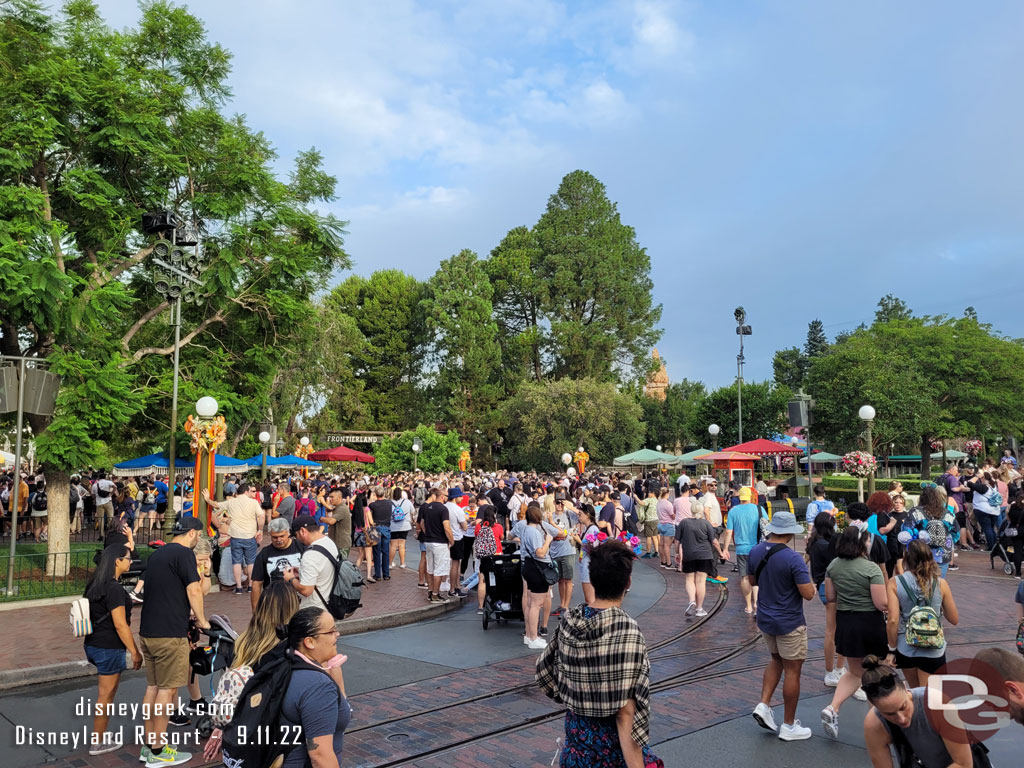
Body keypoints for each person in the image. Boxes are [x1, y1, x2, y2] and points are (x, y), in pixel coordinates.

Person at [536, 539, 662, 768]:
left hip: (575, 748)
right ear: (628, 583)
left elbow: (543, 672)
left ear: (592, 579)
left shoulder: (569, 621)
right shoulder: (626, 630)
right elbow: (626, 711)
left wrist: (572, 695)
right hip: (611, 752)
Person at [137, 517, 209, 766]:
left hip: (148, 631)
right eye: (198, 535)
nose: (199, 539)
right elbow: (194, 589)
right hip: (170, 633)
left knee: (153, 687)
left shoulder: (159, 554)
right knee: (167, 691)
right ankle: (158, 751)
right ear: (192, 533)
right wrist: (202, 621)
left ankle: (148, 746)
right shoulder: (184, 554)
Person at [203, 580, 301, 762]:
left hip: (245, 732)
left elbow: (236, 690)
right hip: (275, 738)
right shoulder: (288, 650)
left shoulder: (245, 643)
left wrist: (221, 727)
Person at [748, 511, 816, 741]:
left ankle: (764, 704)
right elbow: (808, 594)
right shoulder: (793, 558)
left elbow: (752, 581)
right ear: (788, 533)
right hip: (789, 620)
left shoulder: (755, 551)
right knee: (793, 670)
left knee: (776, 659)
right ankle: (788, 725)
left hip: (765, 618)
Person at [821, 525, 889, 740]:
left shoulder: (833, 565)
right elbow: (881, 603)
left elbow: (830, 596)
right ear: (862, 543)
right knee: (875, 671)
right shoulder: (871, 569)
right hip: (869, 622)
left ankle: (833, 707)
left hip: (846, 621)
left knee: (854, 671)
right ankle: (877, 720)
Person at [861, 655, 976, 768]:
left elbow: (963, 764)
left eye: (903, 707)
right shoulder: (874, 724)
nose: (901, 719)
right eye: (889, 714)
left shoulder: (938, 704)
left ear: (906, 688)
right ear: (874, 707)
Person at [82, 544, 143, 755]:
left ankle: (101, 733)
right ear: (117, 561)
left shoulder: (95, 584)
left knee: (106, 695)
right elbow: (120, 624)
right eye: (127, 559)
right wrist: (135, 651)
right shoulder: (114, 589)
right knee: (106, 696)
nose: (130, 562)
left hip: (92, 644)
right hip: (109, 647)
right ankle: (97, 742)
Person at [276, 607, 351, 768]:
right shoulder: (318, 686)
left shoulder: (284, 666)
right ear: (309, 642)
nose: (337, 635)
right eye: (331, 632)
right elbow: (320, 756)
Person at [886, 539, 959, 689]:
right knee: (929, 696)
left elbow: (892, 620)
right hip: (933, 649)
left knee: (914, 692)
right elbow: (954, 619)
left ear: (906, 559)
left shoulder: (895, 582)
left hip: (906, 646)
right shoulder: (940, 583)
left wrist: (891, 649)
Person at [203, 484, 264, 595]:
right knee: (251, 562)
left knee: (236, 562)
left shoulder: (231, 502)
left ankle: (239, 587)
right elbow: (261, 516)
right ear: (247, 491)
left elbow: (216, 504)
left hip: (235, 536)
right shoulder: (253, 502)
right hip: (250, 535)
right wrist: (260, 529)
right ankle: (250, 586)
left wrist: (207, 499)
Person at [806, 512, 845, 686]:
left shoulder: (814, 542)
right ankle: (833, 670)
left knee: (834, 628)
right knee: (834, 629)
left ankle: (836, 669)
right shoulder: (826, 545)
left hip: (821, 584)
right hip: (830, 586)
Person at [675, 508, 728, 617]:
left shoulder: (683, 523)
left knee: (689, 579)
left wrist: (677, 553)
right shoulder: (706, 523)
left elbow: (677, 541)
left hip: (689, 555)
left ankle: (691, 601)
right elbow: (714, 541)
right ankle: (699, 609)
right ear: (701, 511)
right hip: (705, 555)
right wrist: (720, 552)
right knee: (700, 582)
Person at [721, 487, 766, 615]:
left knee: (745, 577)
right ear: (750, 496)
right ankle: (757, 603)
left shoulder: (733, 511)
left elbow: (728, 532)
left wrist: (725, 549)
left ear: (739, 497)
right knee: (756, 577)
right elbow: (766, 526)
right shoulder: (759, 509)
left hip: (741, 549)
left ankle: (748, 606)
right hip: (757, 548)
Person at [283, 515, 340, 611]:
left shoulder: (310, 555)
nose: (297, 539)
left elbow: (306, 590)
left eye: (296, 536)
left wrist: (290, 579)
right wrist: (302, 571)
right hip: (330, 605)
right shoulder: (329, 542)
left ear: (302, 531)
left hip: (314, 610)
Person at [521, 505, 556, 649]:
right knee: (536, 604)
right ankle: (534, 637)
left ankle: (529, 635)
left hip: (528, 566)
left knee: (530, 603)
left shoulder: (525, 530)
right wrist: (548, 540)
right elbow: (540, 553)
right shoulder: (534, 532)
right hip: (538, 567)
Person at [250, 517, 304, 610]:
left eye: (282, 536)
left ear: (288, 533)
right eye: (274, 537)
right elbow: (256, 583)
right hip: (274, 605)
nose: (278, 540)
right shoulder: (265, 553)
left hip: (300, 602)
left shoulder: (301, 548)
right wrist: (256, 611)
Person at [419, 487, 454, 604]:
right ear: (442, 497)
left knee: (430, 568)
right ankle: (435, 594)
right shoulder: (443, 509)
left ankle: (430, 591)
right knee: (439, 569)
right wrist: (451, 540)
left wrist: (427, 533)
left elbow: (422, 523)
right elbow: (447, 527)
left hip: (428, 541)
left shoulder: (427, 507)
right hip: (440, 542)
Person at [365, 485, 394, 582]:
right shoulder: (389, 503)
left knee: (376, 552)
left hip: (375, 528)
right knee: (385, 551)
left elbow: (368, 510)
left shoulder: (373, 505)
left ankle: (378, 574)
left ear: (376, 494)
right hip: (386, 527)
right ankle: (386, 574)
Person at [319, 486, 352, 562]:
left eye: (332, 497)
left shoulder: (342, 508)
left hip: (342, 544)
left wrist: (322, 518)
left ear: (339, 497)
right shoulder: (337, 508)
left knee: (340, 567)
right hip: (336, 543)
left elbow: (331, 521)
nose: (330, 499)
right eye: (329, 497)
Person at [389, 486, 414, 569]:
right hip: (405, 525)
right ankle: (402, 563)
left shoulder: (389, 503)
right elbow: (413, 512)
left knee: (393, 545)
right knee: (402, 545)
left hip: (393, 526)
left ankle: (390, 563)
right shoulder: (407, 502)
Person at [637, 488, 659, 560]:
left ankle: (648, 552)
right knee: (655, 536)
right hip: (656, 520)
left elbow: (641, 503)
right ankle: (656, 551)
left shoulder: (649, 500)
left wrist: (635, 497)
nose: (648, 494)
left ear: (653, 493)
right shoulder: (657, 500)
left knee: (648, 537)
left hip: (649, 520)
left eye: (649, 492)